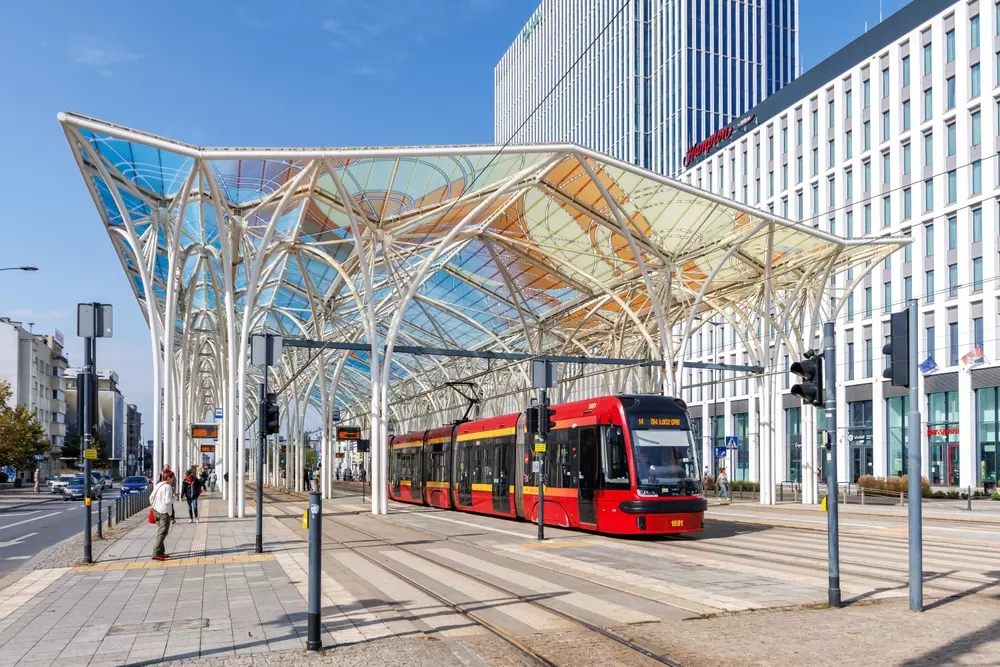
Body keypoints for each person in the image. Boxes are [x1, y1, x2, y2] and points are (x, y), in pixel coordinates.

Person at [151, 471, 176, 561]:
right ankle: (156, 553)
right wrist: (175, 497)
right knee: (162, 533)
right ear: (168, 478)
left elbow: (151, 497)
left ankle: (161, 551)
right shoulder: (168, 487)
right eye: (172, 477)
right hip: (164, 512)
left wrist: (155, 505)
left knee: (160, 532)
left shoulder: (159, 485)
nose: (173, 479)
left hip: (155, 510)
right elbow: (168, 501)